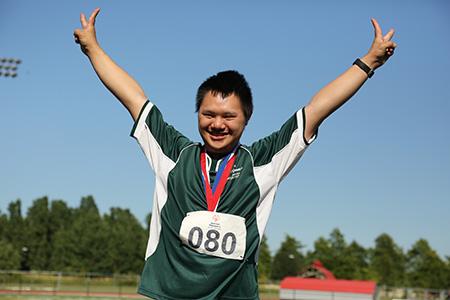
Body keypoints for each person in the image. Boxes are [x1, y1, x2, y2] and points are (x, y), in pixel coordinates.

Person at [74, 8, 396, 300]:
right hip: (164, 295)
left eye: (229, 117)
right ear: (197, 113)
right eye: (208, 114)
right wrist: (92, 47)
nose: (217, 124)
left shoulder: (263, 161)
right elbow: (134, 97)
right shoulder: (174, 152)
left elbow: (316, 110)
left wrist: (368, 62)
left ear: (246, 119)